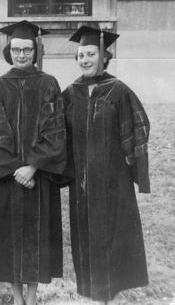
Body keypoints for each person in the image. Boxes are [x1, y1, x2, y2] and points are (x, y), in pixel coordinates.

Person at [0, 20, 66, 305]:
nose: (22, 55)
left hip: (39, 176)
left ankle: (32, 295)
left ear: (36, 51)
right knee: (10, 237)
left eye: (27, 49)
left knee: (37, 237)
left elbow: (55, 129)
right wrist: (17, 168)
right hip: (8, 178)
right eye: (16, 49)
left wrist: (33, 165)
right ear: (9, 50)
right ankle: (16, 297)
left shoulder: (49, 84)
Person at [62, 25, 150, 304]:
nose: (85, 59)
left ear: (104, 56)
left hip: (113, 183)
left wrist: (128, 158)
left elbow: (140, 126)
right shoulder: (70, 93)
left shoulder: (118, 90)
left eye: (91, 53)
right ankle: (95, 296)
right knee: (86, 239)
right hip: (82, 185)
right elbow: (59, 134)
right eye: (81, 55)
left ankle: (108, 297)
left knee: (112, 238)